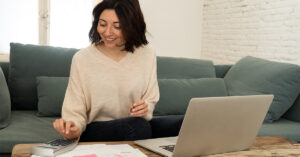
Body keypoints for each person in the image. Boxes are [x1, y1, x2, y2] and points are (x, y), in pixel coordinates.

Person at [53, 0, 159, 142]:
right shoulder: (82, 59)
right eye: (102, 24)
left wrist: (146, 107)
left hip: (138, 125)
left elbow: (150, 98)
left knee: (184, 123)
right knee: (137, 126)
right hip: (97, 129)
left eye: (117, 26)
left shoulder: (147, 54)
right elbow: (74, 110)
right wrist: (72, 127)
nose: (107, 32)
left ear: (132, 26)